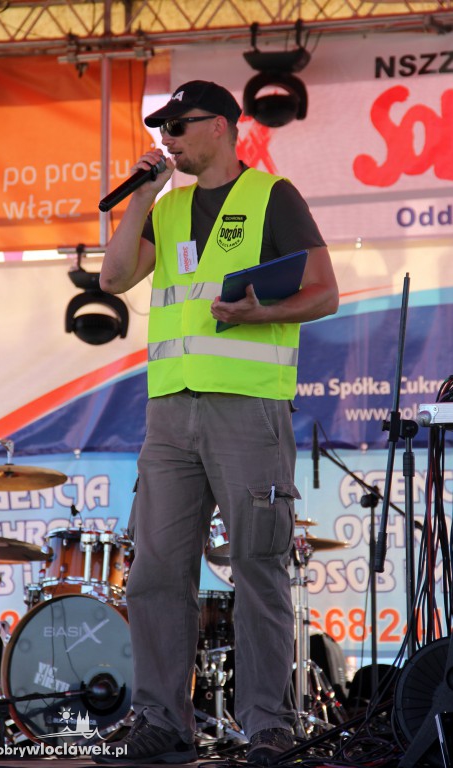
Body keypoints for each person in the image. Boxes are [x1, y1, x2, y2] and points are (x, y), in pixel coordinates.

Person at [96, 80, 339, 766]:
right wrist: (141, 196)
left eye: (179, 126)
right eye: (162, 129)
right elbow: (113, 278)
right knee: (154, 572)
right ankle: (160, 720)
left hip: (247, 408)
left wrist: (261, 313)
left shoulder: (272, 196)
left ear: (222, 127)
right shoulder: (167, 205)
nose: (167, 139)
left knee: (258, 566)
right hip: (170, 411)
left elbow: (325, 292)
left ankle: (268, 725)